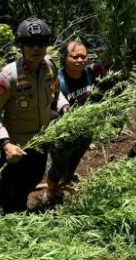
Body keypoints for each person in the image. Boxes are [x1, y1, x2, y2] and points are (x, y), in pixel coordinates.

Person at [0, 16, 69, 213]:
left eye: (41, 43)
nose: (36, 48)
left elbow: (56, 93)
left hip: (42, 138)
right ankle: (10, 217)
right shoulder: (9, 76)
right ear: (20, 46)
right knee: (6, 191)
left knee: (33, 178)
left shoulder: (50, 67)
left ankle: (20, 211)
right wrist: (5, 145)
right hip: (17, 145)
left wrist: (64, 106)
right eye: (30, 43)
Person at [46, 39, 107, 202]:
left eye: (83, 56)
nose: (80, 60)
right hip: (62, 131)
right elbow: (49, 108)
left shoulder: (89, 74)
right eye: (75, 57)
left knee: (76, 157)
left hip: (86, 126)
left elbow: (96, 96)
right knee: (60, 164)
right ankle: (51, 191)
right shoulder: (57, 80)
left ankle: (67, 181)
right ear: (65, 58)